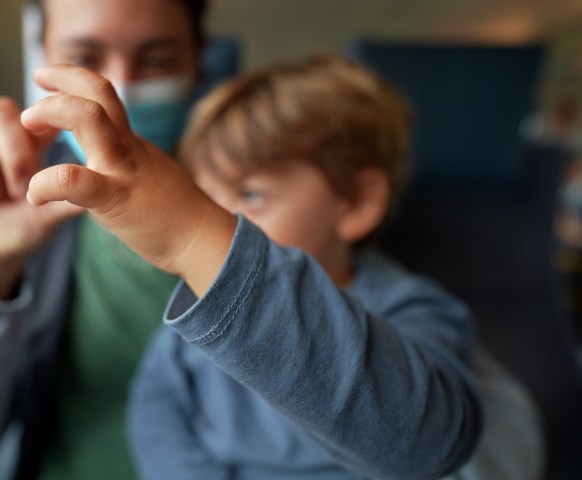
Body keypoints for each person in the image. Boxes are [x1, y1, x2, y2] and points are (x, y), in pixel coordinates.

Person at [119, 56, 544, 479]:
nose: (221, 222)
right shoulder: (198, 321)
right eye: (206, 198)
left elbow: (420, 442)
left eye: (250, 195)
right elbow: (157, 415)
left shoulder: (410, 311)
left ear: (356, 202)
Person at [0, 0, 209, 479]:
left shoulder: (269, 215)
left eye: (157, 61)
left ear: (199, 63)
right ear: (42, 57)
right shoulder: (15, 200)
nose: (117, 87)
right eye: (85, 59)